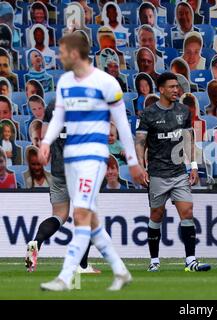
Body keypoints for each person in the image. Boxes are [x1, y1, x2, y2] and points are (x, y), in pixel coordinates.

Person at [38, 32, 146, 291]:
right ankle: (120, 271)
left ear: (75, 54)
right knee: (92, 220)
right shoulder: (64, 82)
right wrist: (45, 142)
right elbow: (58, 118)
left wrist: (132, 160)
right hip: (71, 158)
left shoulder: (106, 83)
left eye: (63, 51)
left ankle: (65, 276)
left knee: (81, 214)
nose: (60, 56)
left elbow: (121, 123)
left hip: (93, 157)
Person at [135, 72, 211, 272]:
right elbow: (141, 142)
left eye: (177, 87)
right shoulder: (149, 113)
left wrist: (193, 165)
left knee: (187, 212)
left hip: (178, 172)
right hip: (158, 173)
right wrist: (142, 167)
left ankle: (190, 261)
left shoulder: (184, 111)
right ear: (161, 89)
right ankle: (154, 260)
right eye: (171, 87)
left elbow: (188, 139)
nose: (176, 90)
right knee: (156, 215)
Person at [25, 99, 99, 274]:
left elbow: (44, 138)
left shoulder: (54, 105)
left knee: (59, 215)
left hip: (58, 170)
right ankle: (82, 266)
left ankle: (36, 242)